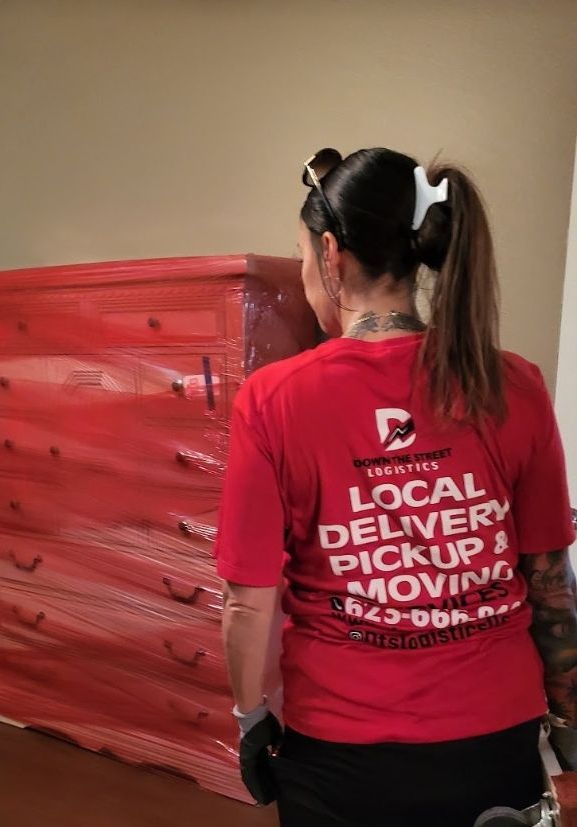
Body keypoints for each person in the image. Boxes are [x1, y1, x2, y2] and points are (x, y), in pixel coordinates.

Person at [215, 147, 576, 827]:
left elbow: (247, 603)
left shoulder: (273, 400)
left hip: (344, 751)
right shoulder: (515, 383)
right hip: (495, 737)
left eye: (301, 257)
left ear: (331, 253)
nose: (304, 274)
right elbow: (552, 582)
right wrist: (569, 717)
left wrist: (251, 716)